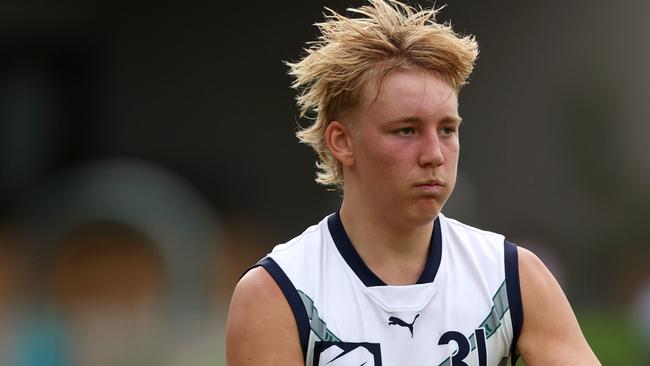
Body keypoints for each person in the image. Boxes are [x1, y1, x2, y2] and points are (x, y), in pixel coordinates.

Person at [226, 0, 600, 365]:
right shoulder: (278, 291)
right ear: (342, 141)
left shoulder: (512, 276)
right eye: (406, 130)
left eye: (447, 129)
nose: (434, 154)